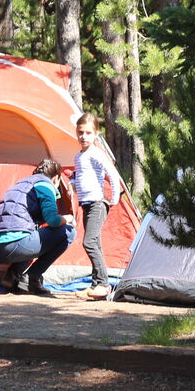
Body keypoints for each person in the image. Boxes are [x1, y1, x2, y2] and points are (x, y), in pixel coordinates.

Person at [0, 157, 71, 296]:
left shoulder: (21, 184)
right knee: (68, 232)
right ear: (56, 178)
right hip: (14, 244)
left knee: (31, 233)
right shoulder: (45, 184)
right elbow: (53, 220)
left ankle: (11, 277)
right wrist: (67, 218)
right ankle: (32, 278)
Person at [72, 112, 118, 300]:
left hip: (98, 203)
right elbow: (81, 176)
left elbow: (113, 175)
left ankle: (104, 285)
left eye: (89, 133)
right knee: (95, 244)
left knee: (89, 242)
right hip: (86, 204)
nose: (84, 136)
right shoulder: (78, 155)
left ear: (96, 134)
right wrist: (73, 184)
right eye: (81, 132)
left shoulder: (96, 153)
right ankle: (96, 284)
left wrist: (114, 199)